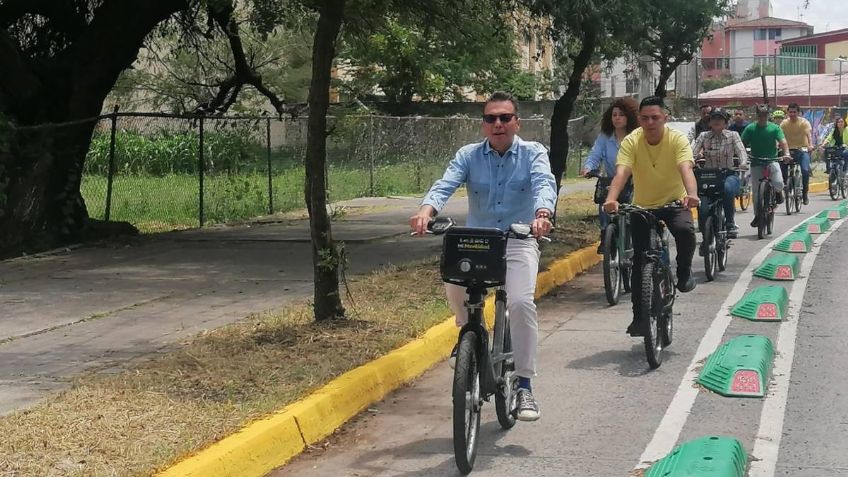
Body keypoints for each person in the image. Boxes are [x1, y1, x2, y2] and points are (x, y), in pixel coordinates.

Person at [410, 91, 556, 422]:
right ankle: (467, 334)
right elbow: (444, 184)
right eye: (491, 118)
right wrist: (425, 210)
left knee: (520, 303)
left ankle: (525, 385)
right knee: (453, 279)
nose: (498, 124)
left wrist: (543, 213)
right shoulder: (469, 155)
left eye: (505, 118)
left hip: (519, 238)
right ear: (483, 125)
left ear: (517, 122)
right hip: (479, 240)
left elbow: (544, 184)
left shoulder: (533, 153)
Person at [603, 96, 700, 337]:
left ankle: (685, 272)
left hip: (674, 202)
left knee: (686, 231)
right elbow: (622, 172)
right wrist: (611, 199)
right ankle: (639, 318)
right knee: (640, 262)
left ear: (665, 117)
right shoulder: (632, 141)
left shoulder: (677, 139)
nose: (650, 122)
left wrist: (692, 194)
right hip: (642, 206)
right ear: (639, 120)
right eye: (645, 118)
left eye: (655, 117)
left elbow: (685, 168)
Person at [581, 97, 639, 251]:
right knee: (603, 204)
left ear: (630, 117)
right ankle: (605, 233)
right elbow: (595, 155)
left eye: (621, 114)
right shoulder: (604, 137)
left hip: (634, 182)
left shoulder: (637, 136)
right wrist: (588, 167)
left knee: (635, 213)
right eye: (614, 115)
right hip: (610, 180)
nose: (617, 118)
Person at [692, 109, 748, 237]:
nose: (717, 121)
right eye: (714, 119)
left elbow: (741, 152)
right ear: (710, 122)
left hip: (728, 174)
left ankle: (730, 223)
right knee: (702, 203)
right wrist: (690, 162)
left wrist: (743, 163)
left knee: (727, 189)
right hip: (708, 176)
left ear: (725, 123)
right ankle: (705, 231)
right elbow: (692, 153)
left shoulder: (733, 135)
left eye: (720, 119)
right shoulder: (703, 136)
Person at [741, 104, 789, 227]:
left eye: (765, 115)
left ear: (768, 115)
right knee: (757, 193)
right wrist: (742, 156)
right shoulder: (750, 128)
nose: (763, 117)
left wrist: (786, 154)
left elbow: (783, 142)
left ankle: (778, 193)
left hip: (772, 160)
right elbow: (741, 143)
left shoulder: (775, 128)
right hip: (756, 162)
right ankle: (758, 215)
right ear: (757, 115)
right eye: (760, 115)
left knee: (778, 183)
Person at [779, 103, 813, 204]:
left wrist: (810, 145)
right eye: (790, 112)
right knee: (782, 168)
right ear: (787, 112)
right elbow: (779, 136)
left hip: (802, 150)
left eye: (794, 112)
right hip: (788, 151)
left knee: (805, 170)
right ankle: (785, 187)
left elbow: (808, 135)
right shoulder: (784, 123)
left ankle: (805, 193)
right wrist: (777, 144)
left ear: (798, 113)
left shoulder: (804, 123)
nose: (792, 114)